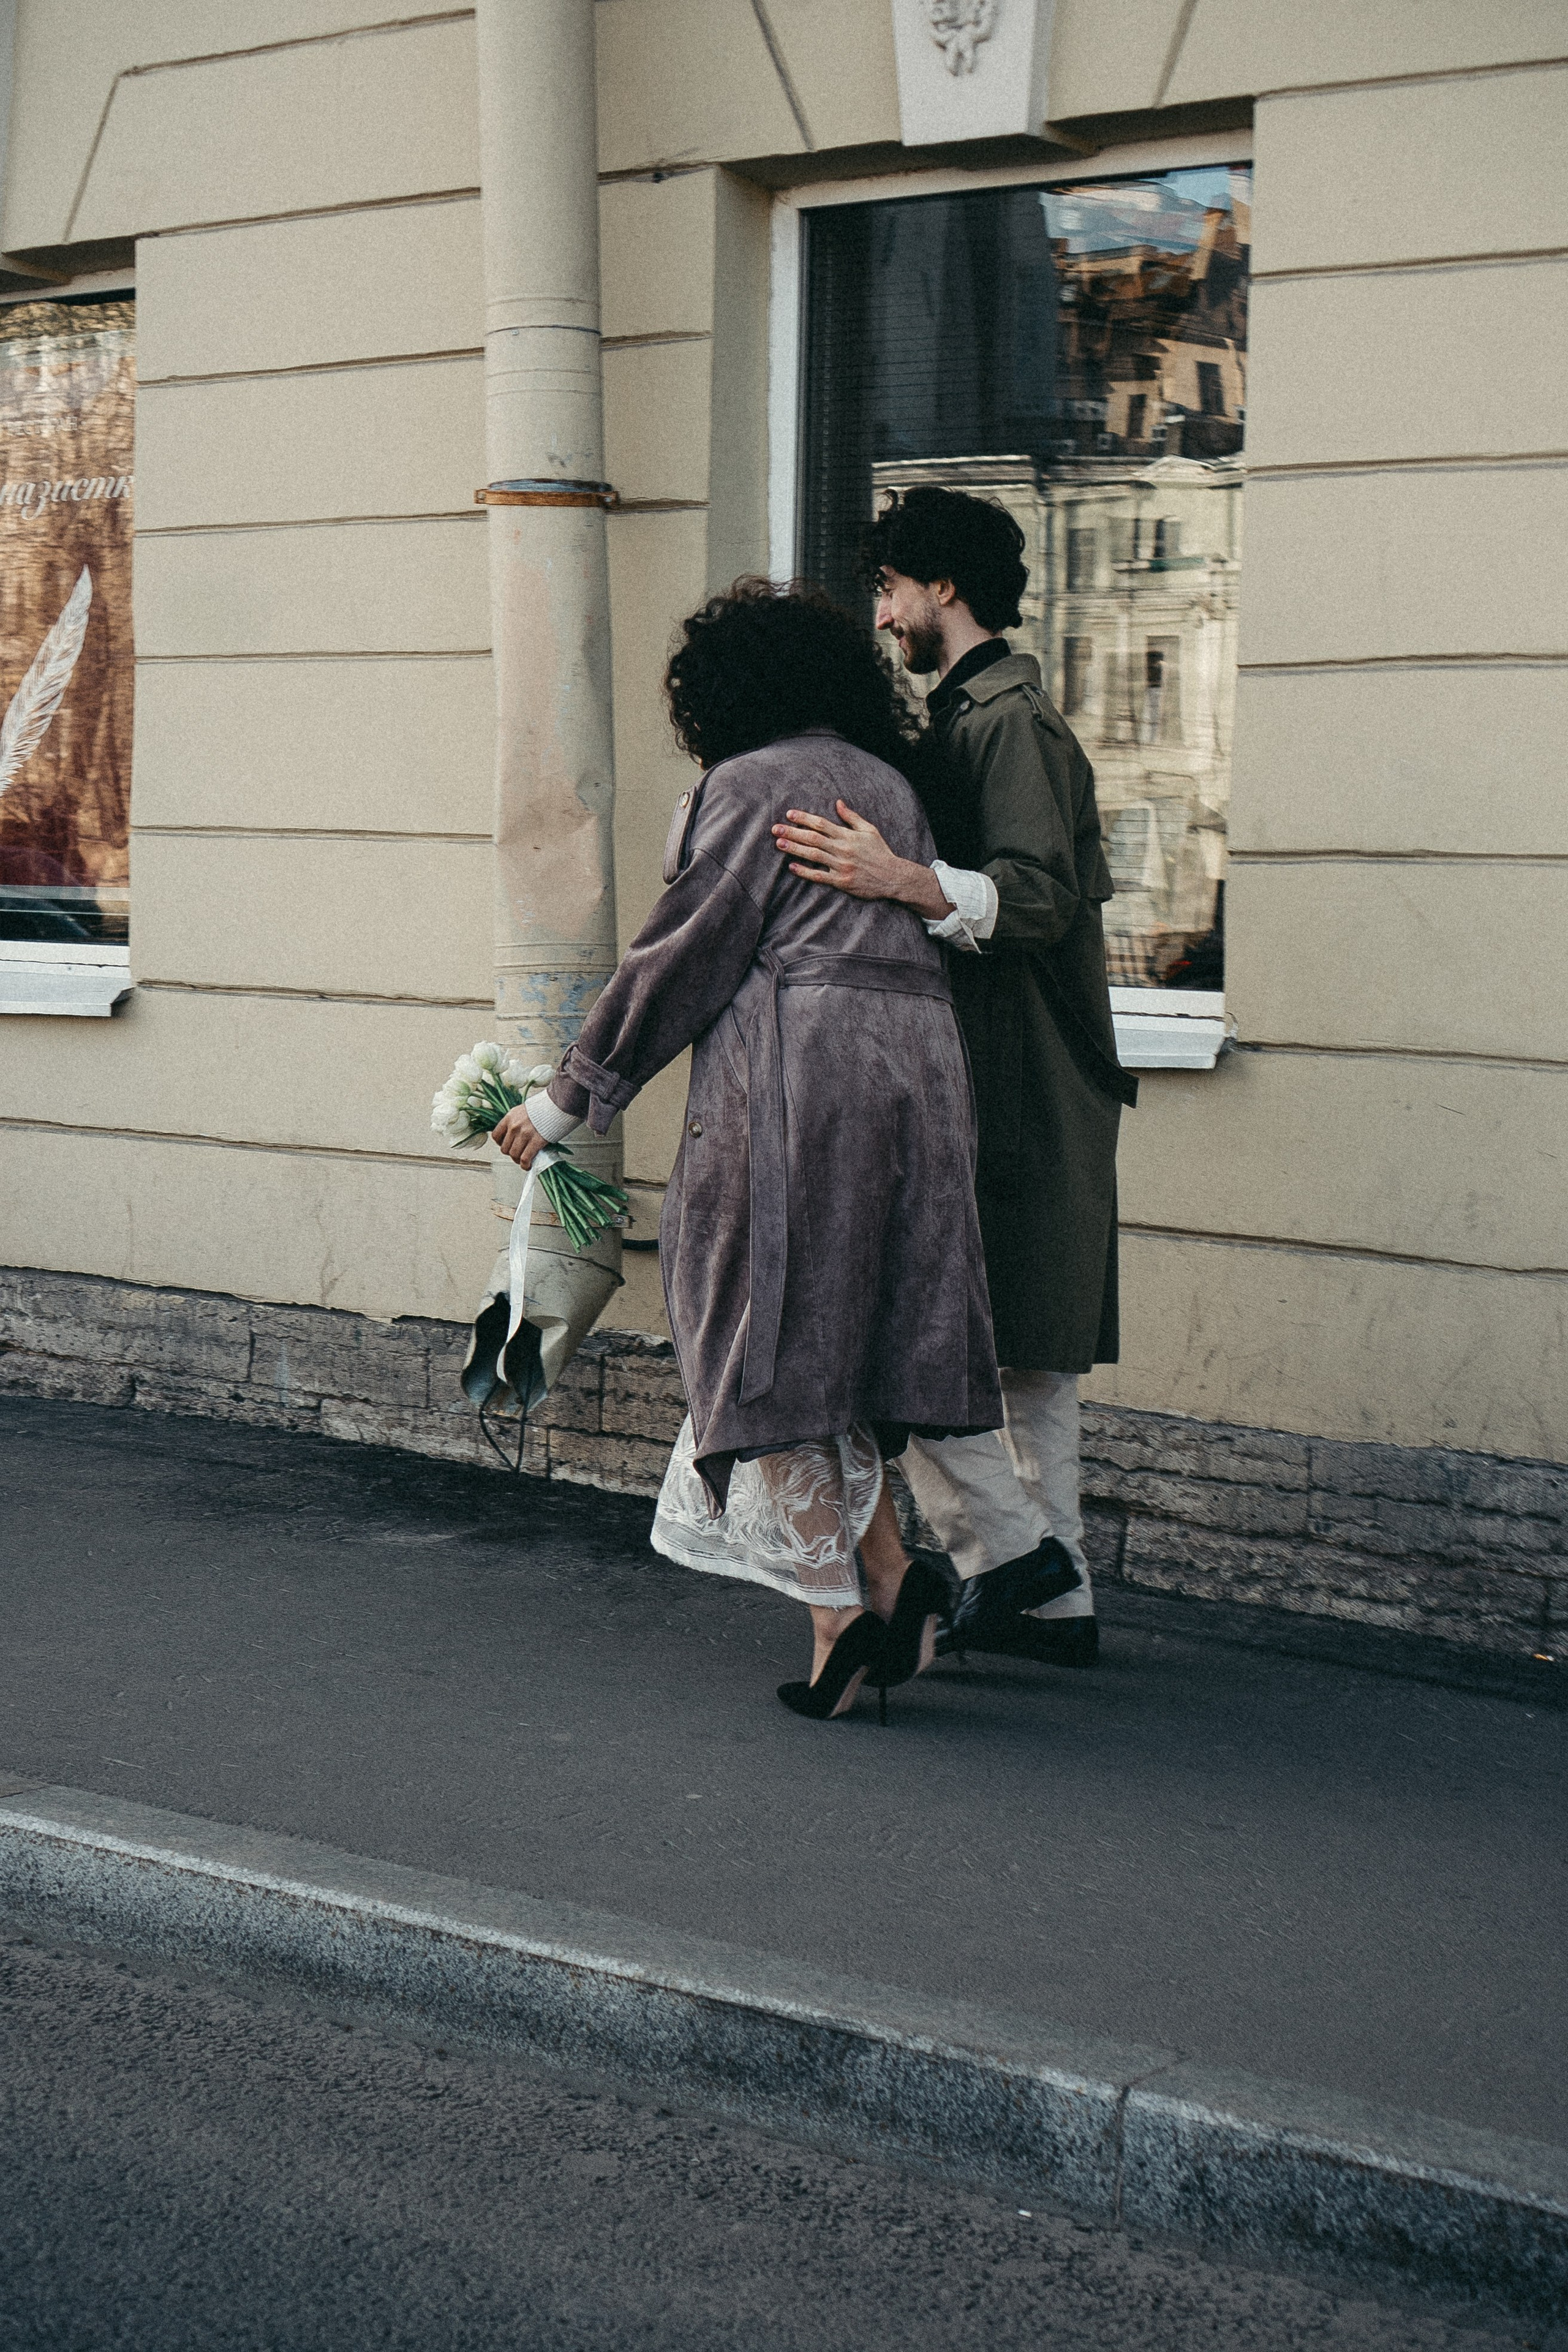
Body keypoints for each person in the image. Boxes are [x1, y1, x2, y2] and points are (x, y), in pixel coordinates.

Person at [492, 578, 1003, 1721]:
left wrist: (568, 1100)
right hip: (915, 1087)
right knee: (836, 1345)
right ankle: (889, 1577)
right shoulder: (891, 782)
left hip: (797, 1090)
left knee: (755, 1341)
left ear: (725, 693)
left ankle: (839, 1620)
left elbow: (681, 955)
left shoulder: (753, 785)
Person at [772, 487, 1137, 1669]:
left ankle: (1014, 1563)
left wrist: (903, 879)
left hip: (1022, 1085)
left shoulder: (1008, 721)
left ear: (942, 587)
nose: (883, 617)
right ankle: (1056, 1609)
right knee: (1023, 1356)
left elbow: (1039, 894)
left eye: (890, 590)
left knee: (918, 1332)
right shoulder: (976, 712)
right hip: (1026, 1080)